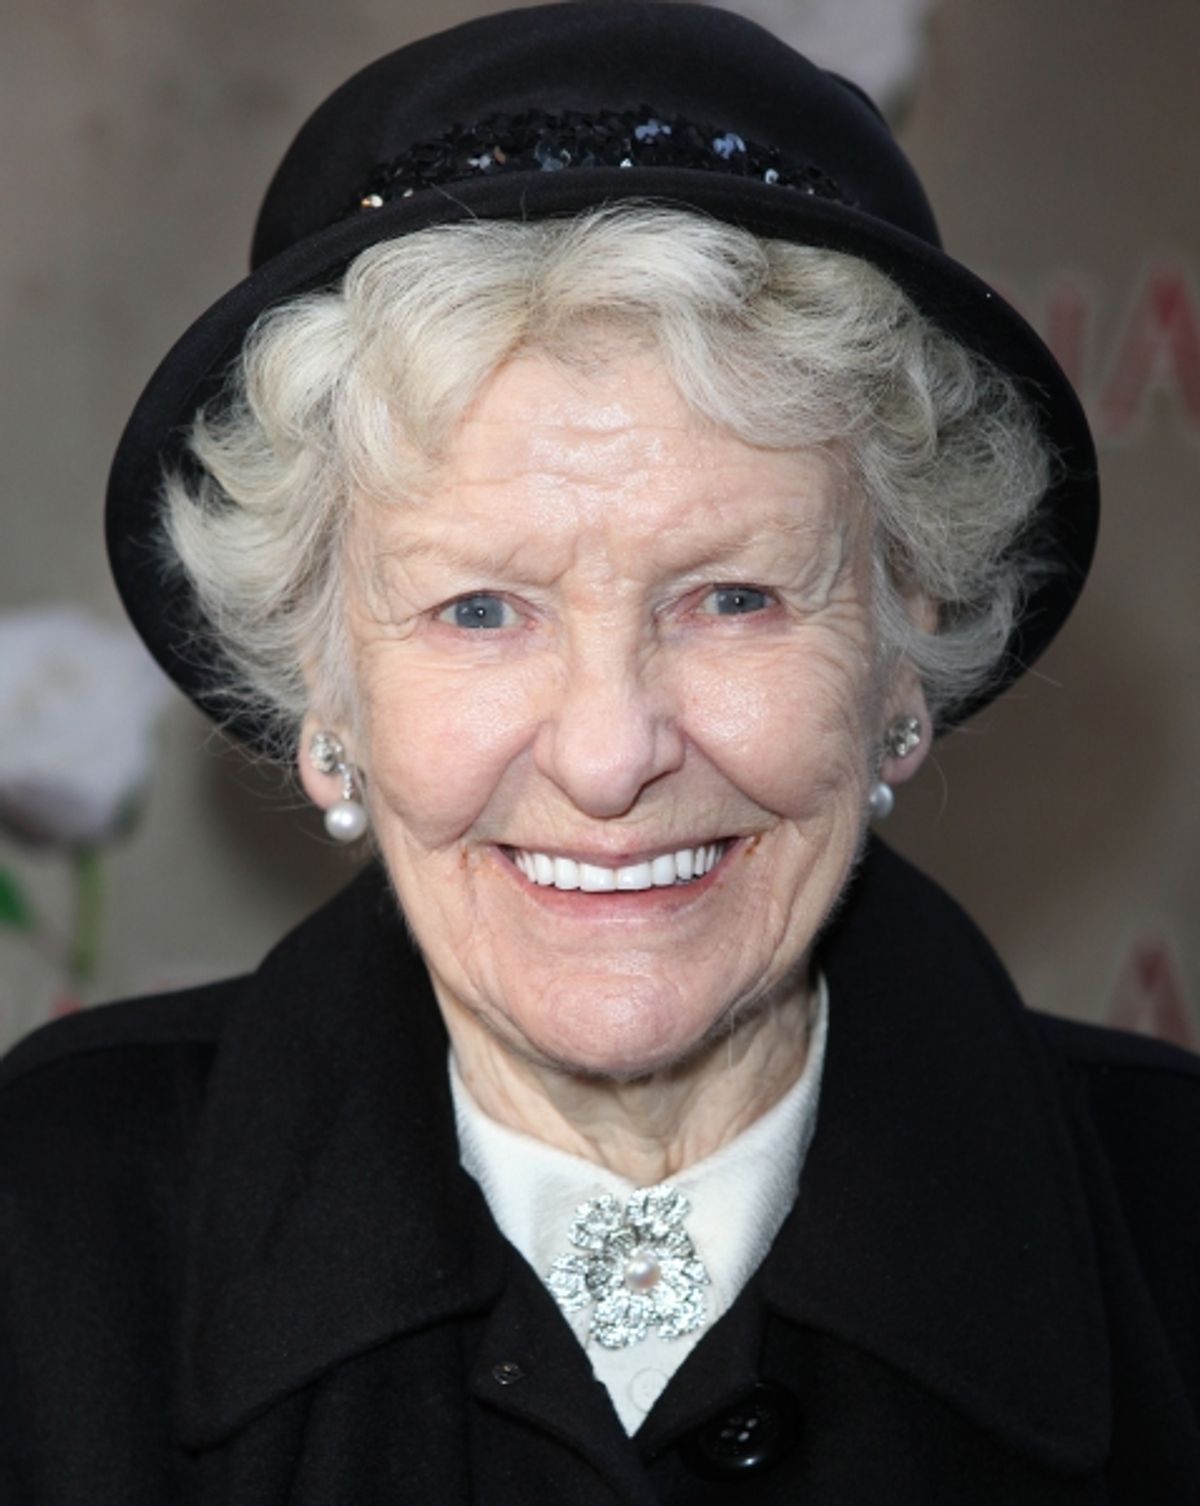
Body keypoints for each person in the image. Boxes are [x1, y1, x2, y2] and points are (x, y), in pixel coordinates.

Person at [2, 4, 1197, 1501]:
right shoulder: (43, 1228)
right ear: (325, 692)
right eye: (479, 609)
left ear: (905, 650)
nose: (612, 754)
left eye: (733, 598)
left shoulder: (1174, 1229)